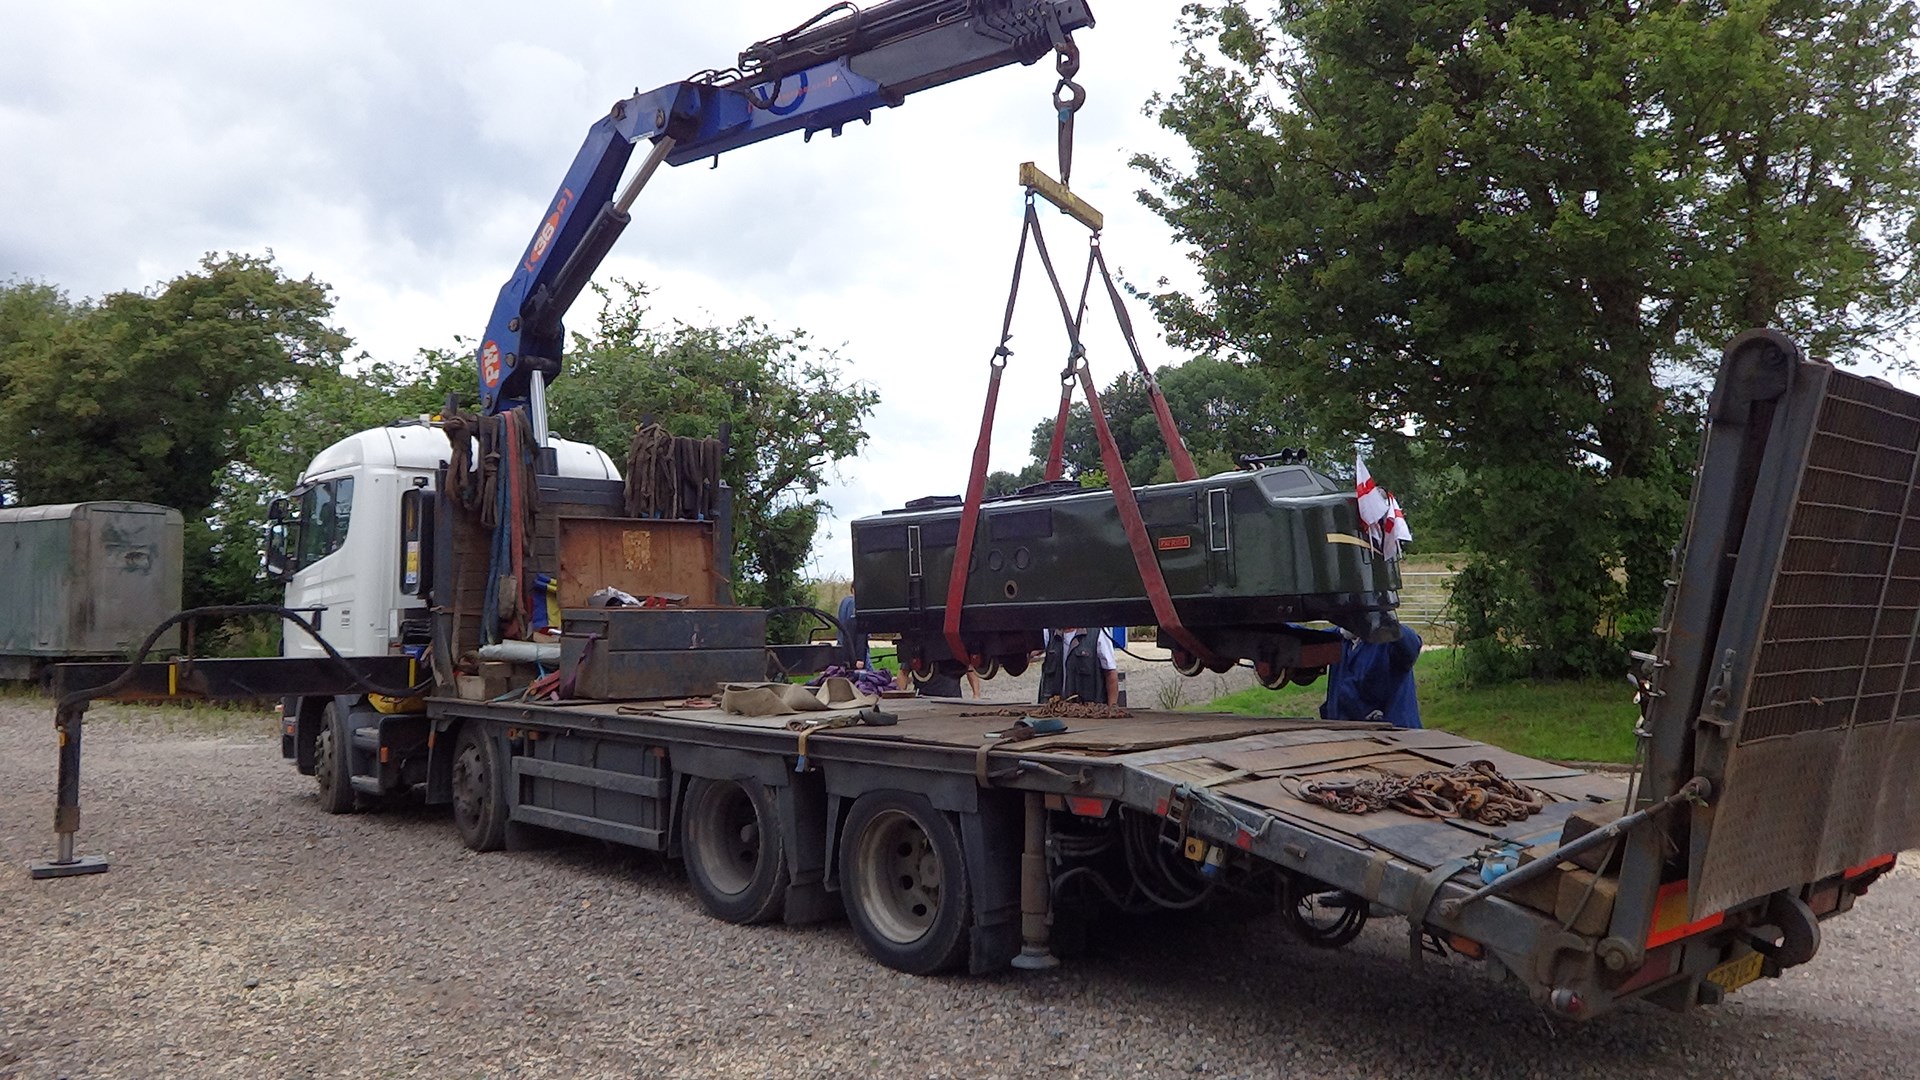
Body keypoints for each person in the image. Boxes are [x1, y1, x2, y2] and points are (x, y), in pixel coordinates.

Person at [1319, 624, 1423, 729]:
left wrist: (1384, 621)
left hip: (1396, 735)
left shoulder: (1389, 642)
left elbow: (1411, 646)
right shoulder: (1341, 638)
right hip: (1348, 734)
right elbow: (1311, 637)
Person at [1037, 626, 1118, 705]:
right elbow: (1030, 652)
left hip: (1088, 712)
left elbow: (1110, 674)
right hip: (1053, 712)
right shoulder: (1048, 632)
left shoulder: (1098, 632)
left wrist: (1112, 709)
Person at [897, 665, 981, 698]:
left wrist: (976, 694)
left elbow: (970, 669)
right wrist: (901, 693)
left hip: (953, 698)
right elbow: (903, 673)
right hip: (925, 698)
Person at [836, 587, 870, 669]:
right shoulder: (855, 603)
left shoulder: (844, 601)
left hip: (842, 643)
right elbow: (857, 629)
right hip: (854, 648)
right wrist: (859, 657)